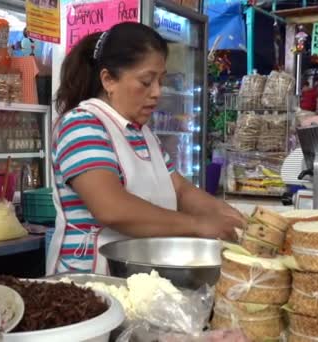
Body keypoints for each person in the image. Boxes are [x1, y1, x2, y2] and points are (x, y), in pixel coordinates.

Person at [47, 23, 247, 275]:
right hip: (90, 282)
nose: (157, 93)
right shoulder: (82, 125)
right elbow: (110, 207)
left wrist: (237, 221)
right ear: (108, 79)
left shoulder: (144, 134)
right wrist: (199, 225)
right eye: (146, 81)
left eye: (161, 81)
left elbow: (181, 191)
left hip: (139, 278)